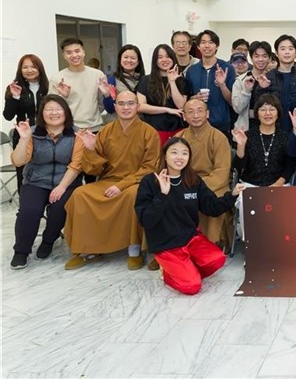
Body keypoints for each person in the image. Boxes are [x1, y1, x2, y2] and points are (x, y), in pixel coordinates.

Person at [135, 137, 246, 295]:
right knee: (192, 286)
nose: (180, 157)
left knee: (217, 259)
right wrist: (163, 195)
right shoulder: (150, 182)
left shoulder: (193, 180)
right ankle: (169, 273)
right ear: (165, 155)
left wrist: (233, 194)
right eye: (174, 152)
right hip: (166, 244)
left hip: (190, 238)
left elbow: (211, 207)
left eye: (184, 153)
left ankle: (185, 268)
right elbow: (146, 219)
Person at [63, 91, 160, 270]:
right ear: (114, 107)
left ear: (138, 106)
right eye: (121, 104)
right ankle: (88, 248)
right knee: (80, 194)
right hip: (108, 180)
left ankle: (134, 249)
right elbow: (94, 168)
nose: (125, 107)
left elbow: (149, 168)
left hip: (136, 182)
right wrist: (90, 149)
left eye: (130, 103)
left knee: (132, 196)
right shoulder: (106, 131)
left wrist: (121, 185)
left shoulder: (149, 132)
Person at [9, 96, 83, 269]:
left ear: (66, 112)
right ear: (42, 113)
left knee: (60, 208)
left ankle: (49, 240)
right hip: (36, 181)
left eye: (58, 109)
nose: (54, 113)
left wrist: (62, 187)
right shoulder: (32, 133)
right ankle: (21, 251)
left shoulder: (76, 133)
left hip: (66, 181)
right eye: (49, 109)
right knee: (30, 210)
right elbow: (18, 161)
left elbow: (76, 164)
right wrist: (25, 138)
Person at [175, 99, 234, 249]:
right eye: (190, 112)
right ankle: (172, 247)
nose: (196, 115)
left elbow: (222, 171)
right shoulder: (179, 138)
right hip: (185, 184)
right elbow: (171, 167)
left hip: (213, 184)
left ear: (207, 114)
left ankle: (212, 245)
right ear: (184, 116)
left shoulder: (218, 137)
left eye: (200, 111)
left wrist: (197, 187)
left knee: (215, 201)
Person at [5, 54, 49, 190]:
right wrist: (15, 97)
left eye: (33, 66)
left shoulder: (47, 86)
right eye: (25, 67)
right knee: (23, 172)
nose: (29, 70)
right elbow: (8, 115)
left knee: (45, 169)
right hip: (23, 136)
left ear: (39, 69)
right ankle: (25, 204)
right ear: (20, 69)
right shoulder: (14, 87)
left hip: (45, 134)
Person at [231, 93, 295, 187]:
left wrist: (276, 185)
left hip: (279, 187)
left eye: (272, 109)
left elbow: (290, 166)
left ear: (278, 114)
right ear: (257, 114)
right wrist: (241, 146)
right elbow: (238, 167)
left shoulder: (285, 137)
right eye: (263, 110)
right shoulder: (247, 136)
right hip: (250, 186)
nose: (268, 113)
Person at [50, 37, 109, 133]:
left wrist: (93, 115)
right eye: (68, 52)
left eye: (77, 51)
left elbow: (102, 102)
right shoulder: (57, 79)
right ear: (64, 55)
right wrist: (63, 96)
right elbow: (53, 108)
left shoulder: (97, 75)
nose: (74, 55)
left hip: (95, 128)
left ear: (83, 52)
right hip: (69, 129)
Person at [183, 29, 236, 135]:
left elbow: (232, 101)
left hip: (221, 124)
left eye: (211, 42)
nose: (207, 46)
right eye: (203, 42)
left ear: (217, 46)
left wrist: (222, 85)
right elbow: (186, 100)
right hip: (196, 124)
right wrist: (194, 98)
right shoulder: (191, 70)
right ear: (198, 46)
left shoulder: (227, 68)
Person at [136, 44, 190, 145]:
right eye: (160, 57)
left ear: (173, 58)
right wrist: (167, 110)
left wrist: (172, 82)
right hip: (154, 130)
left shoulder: (181, 81)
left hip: (178, 130)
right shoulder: (145, 80)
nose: (164, 60)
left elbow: (181, 105)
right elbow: (140, 106)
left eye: (168, 56)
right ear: (155, 61)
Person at [231, 41, 273, 130]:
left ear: (269, 58)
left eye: (264, 56)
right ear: (251, 58)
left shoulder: (274, 79)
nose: (260, 59)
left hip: (270, 129)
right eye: (256, 56)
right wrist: (246, 91)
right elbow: (237, 108)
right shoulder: (240, 80)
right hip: (245, 130)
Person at [271, 34, 296, 131]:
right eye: (283, 49)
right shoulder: (269, 77)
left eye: (290, 49)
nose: (287, 52)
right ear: (276, 52)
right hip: (275, 127)